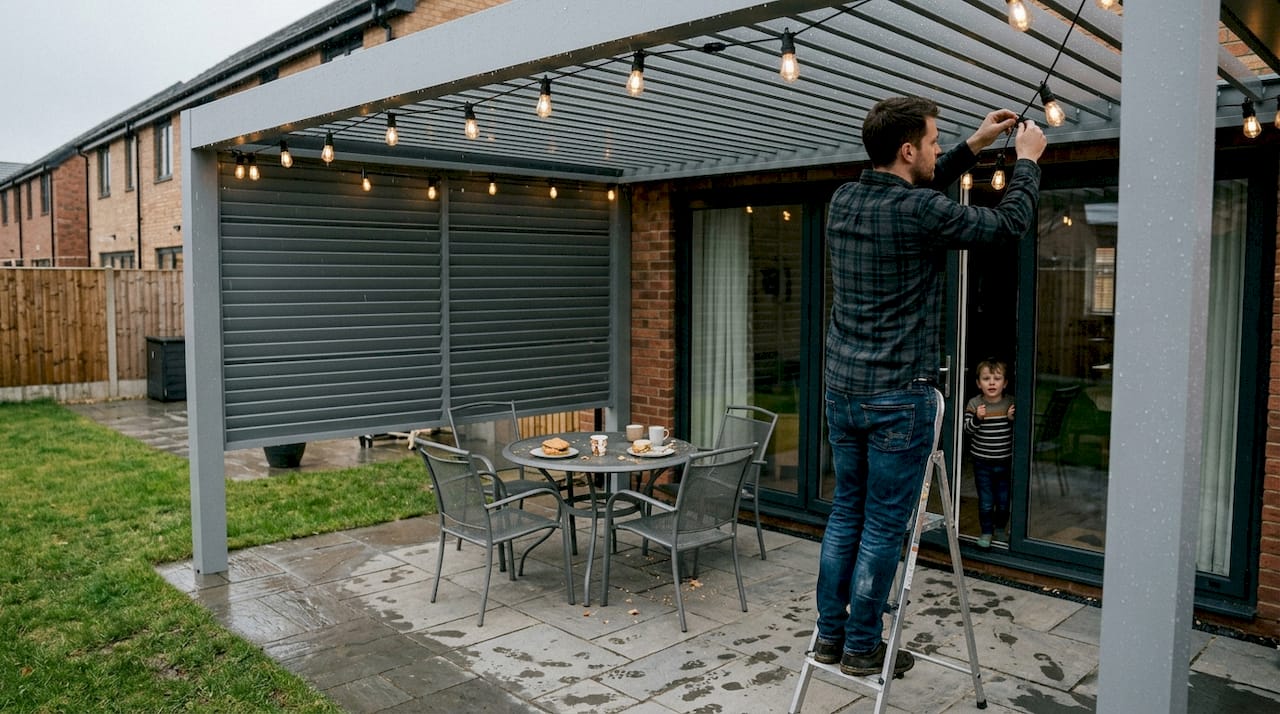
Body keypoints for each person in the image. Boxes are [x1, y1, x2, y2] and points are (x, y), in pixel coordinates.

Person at [814, 96, 1046, 678]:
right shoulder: (920, 212)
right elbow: (1009, 225)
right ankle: (864, 647)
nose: (942, 148)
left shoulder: (843, 199)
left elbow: (917, 190)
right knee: (884, 524)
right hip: (899, 398)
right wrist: (1027, 162)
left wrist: (973, 146)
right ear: (908, 149)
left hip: (843, 389)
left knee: (846, 514)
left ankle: (829, 639)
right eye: (936, 140)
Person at [964, 358, 1016, 548]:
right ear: (979, 383)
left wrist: (1011, 420)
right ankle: (986, 531)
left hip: (1004, 461)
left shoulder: (1010, 403)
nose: (992, 383)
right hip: (982, 463)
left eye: (997, 378)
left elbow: (1020, 433)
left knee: (1003, 501)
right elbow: (967, 430)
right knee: (986, 501)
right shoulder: (974, 403)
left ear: (1005, 383)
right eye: (986, 379)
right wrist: (977, 418)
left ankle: (1000, 528)